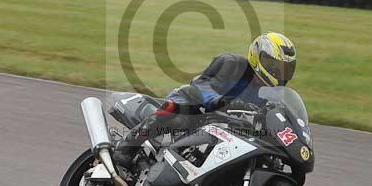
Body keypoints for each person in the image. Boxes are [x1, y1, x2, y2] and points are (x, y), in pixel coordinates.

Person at [113, 32, 297, 169]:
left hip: (228, 129)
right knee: (176, 114)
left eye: (284, 69)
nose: (278, 72)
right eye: (275, 65)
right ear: (259, 57)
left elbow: (272, 118)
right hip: (196, 108)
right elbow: (201, 85)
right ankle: (126, 148)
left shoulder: (268, 94)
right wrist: (221, 101)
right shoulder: (232, 63)